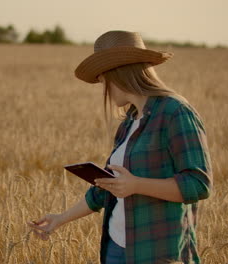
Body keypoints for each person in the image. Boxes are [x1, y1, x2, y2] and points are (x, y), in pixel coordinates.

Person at [27, 31, 213, 264]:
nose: (102, 85)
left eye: (103, 78)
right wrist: (60, 219)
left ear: (118, 73)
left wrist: (136, 185)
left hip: (157, 252)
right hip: (116, 247)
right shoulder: (129, 122)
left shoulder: (175, 112)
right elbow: (106, 189)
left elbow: (199, 184)